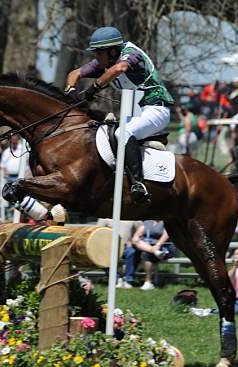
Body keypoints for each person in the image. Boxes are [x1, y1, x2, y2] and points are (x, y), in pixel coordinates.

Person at [64, 26, 174, 200]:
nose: (96, 57)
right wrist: (70, 90)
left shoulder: (131, 55)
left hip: (156, 109)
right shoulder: (106, 61)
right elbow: (75, 73)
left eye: (99, 53)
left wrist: (94, 88)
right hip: (137, 112)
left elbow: (119, 69)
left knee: (123, 132)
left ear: (113, 51)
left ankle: (139, 183)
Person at [130, 220, 177, 290]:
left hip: (163, 246)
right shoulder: (147, 222)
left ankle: (148, 281)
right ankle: (154, 251)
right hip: (147, 245)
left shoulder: (165, 222)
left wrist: (158, 245)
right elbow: (137, 234)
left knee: (145, 254)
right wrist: (136, 237)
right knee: (135, 241)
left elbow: (166, 234)